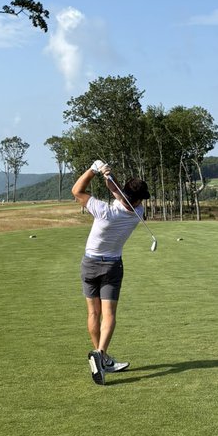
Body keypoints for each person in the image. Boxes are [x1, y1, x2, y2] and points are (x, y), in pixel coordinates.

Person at [72, 160, 150, 385]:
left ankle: (100, 355)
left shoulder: (103, 211)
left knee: (93, 314)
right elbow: (118, 193)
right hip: (112, 266)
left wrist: (94, 170)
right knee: (109, 314)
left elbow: (77, 191)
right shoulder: (138, 212)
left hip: (90, 264)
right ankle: (101, 355)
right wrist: (109, 177)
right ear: (138, 200)